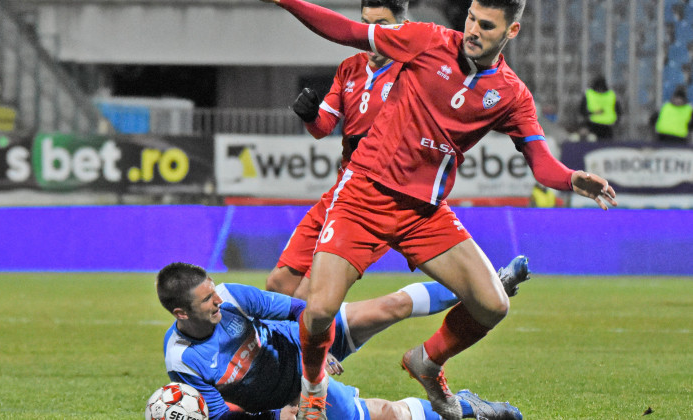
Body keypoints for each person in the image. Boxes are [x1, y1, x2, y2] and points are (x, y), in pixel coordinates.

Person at [257, 1, 618, 419]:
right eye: (470, 18)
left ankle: (426, 362)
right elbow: (345, 31)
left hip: (424, 213)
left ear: (511, 31)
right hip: (364, 196)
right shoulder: (425, 40)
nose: (473, 30)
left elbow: (541, 163)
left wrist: (572, 179)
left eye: (486, 25)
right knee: (318, 310)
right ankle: (313, 392)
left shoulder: (511, 94)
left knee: (492, 304)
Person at [266, 0, 527, 302]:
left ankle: (488, 285)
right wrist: (310, 115)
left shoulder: (415, 65)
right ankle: (302, 345)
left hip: (389, 195)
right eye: (367, 22)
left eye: (382, 24)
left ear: (400, 29)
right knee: (280, 284)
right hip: (348, 187)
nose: (373, 32)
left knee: (315, 298)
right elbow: (322, 127)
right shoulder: (350, 69)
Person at [157, 262, 525, 420]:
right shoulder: (181, 360)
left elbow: (298, 309)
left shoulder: (231, 297)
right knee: (381, 414)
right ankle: (466, 407)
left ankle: (488, 282)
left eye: (212, 292)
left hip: (302, 343)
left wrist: (314, 348)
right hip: (295, 394)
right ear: (181, 314)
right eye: (206, 301)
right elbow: (220, 416)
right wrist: (279, 413)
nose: (217, 300)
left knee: (391, 305)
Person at [578, 75, 622, 141]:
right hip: (601, 126)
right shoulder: (612, 95)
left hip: (598, 126)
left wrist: (590, 114)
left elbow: (582, 110)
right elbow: (618, 111)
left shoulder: (588, 94)